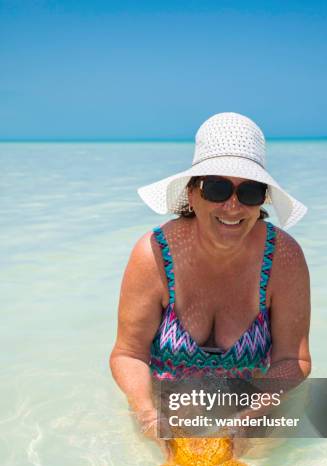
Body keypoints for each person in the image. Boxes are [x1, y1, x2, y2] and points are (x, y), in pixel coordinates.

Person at [110, 112, 311, 447]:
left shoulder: (283, 258)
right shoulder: (154, 254)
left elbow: (294, 360)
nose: (232, 206)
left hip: (253, 414)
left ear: (262, 199)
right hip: (164, 418)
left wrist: (250, 419)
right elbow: (128, 354)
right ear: (192, 194)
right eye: (217, 188)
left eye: (249, 192)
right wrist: (148, 416)